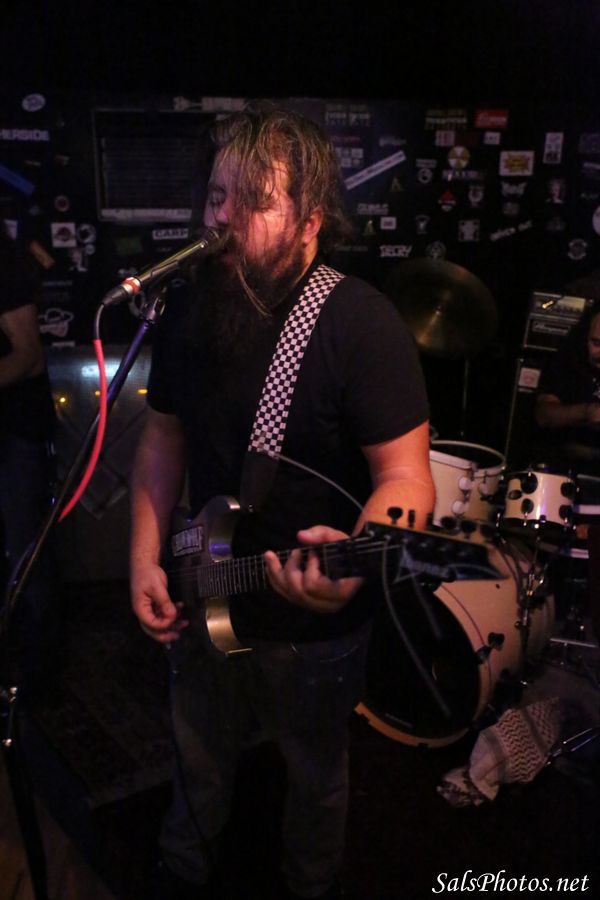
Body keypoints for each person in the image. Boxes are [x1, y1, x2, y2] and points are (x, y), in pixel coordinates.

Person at [130, 106, 435, 900]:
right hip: (205, 582)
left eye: (254, 202)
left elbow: (407, 478)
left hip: (311, 622)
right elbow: (163, 436)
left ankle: (310, 882)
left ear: (309, 221)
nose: (223, 220)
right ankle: (184, 866)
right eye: (217, 197)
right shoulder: (189, 305)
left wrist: (356, 562)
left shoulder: (358, 322)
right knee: (197, 753)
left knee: (314, 772)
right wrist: (143, 557)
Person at [0, 224, 58, 699]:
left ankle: (39, 681)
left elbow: (29, 357)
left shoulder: (5, 261)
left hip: (16, 432)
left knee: (27, 554)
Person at [534, 299, 600, 473]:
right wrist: (587, 412)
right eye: (596, 343)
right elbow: (544, 415)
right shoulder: (569, 359)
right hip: (563, 469)